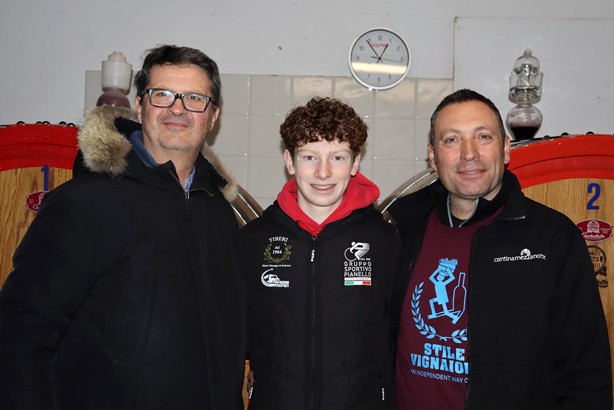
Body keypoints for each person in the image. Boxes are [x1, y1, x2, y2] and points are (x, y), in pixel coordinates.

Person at [0, 45, 246, 409]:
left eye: (194, 98)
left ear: (213, 117)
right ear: (141, 106)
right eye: (162, 95)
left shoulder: (220, 213)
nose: (177, 108)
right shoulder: (84, 203)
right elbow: (23, 330)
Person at [389, 88, 612, 409]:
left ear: (506, 149)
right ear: (433, 157)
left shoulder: (552, 238)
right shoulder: (401, 230)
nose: (469, 153)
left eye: (483, 137)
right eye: (451, 140)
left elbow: (586, 372)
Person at [238, 97, 401, 409]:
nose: (323, 173)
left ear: (355, 163)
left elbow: (399, 335)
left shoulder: (386, 240)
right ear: (289, 161)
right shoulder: (252, 241)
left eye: (337, 157)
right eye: (309, 157)